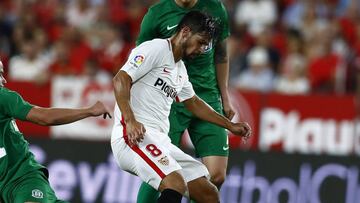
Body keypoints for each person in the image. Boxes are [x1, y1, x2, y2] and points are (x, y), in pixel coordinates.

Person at [111, 11, 251, 203]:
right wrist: (130, 120)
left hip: (160, 140)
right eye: (201, 42)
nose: (202, 49)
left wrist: (230, 125)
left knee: (208, 194)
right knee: (175, 183)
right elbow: (121, 79)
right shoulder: (156, 49)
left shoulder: (180, 70)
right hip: (134, 136)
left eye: (206, 45)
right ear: (185, 32)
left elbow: (193, 103)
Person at [135, 0, 235, 202]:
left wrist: (224, 96)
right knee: (159, 168)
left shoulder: (215, 9)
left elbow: (221, 54)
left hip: (206, 95)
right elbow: (142, 58)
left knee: (216, 175)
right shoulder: (157, 14)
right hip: (169, 98)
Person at [0, 60, 111, 203]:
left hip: (23, 178)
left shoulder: (3, 97)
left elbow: (44, 117)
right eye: (0, 74)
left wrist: (89, 111)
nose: (4, 80)